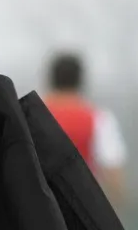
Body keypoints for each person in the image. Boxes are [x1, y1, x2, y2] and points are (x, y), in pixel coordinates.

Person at [41, 52, 128, 204]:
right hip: (82, 205)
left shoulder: (29, 115)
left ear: (51, 80)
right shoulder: (99, 118)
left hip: (39, 205)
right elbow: (113, 172)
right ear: (80, 80)